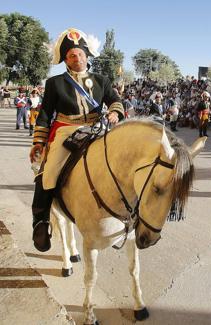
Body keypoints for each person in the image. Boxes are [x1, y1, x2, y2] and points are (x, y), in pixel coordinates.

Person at [29, 28, 124, 252]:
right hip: (66, 130)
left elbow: (115, 101)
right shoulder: (55, 83)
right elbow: (44, 114)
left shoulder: (101, 80)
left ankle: (126, 214)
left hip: (97, 127)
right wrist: (38, 142)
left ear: (86, 56)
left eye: (80, 54)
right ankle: (41, 222)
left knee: (120, 163)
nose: (77, 58)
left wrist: (114, 113)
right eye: (72, 55)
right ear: (65, 60)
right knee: (49, 171)